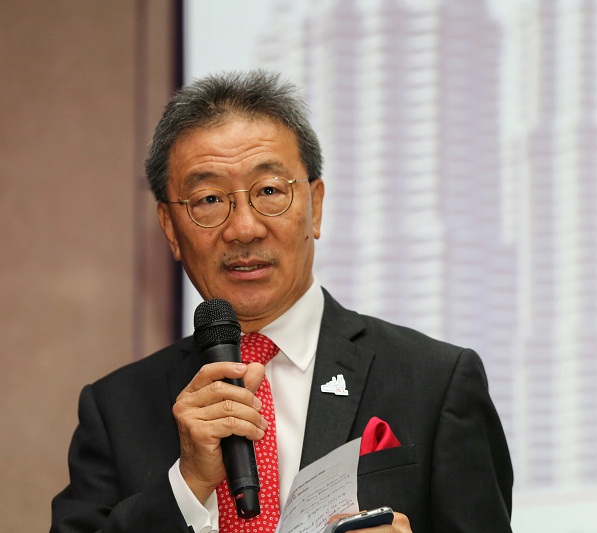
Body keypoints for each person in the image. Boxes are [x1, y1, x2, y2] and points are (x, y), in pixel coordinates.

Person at [51, 69, 513, 533]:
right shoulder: (116, 409)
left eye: (269, 191)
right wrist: (186, 485)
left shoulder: (435, 383)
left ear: (316, 204)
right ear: (171, 229)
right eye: (209, 199)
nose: (244, 228)